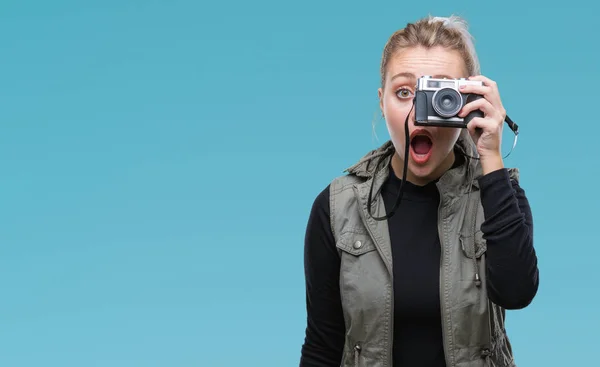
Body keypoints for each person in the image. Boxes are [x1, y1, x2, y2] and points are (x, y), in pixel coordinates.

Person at [299, 15, 539, 367]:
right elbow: (322, 346)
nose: (420, 114)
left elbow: (517, 292)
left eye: (440, 95)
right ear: (382, 102)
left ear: (468, 102)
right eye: (404, 93)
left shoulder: (499, 193)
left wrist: (490, 155)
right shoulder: (337, 208)